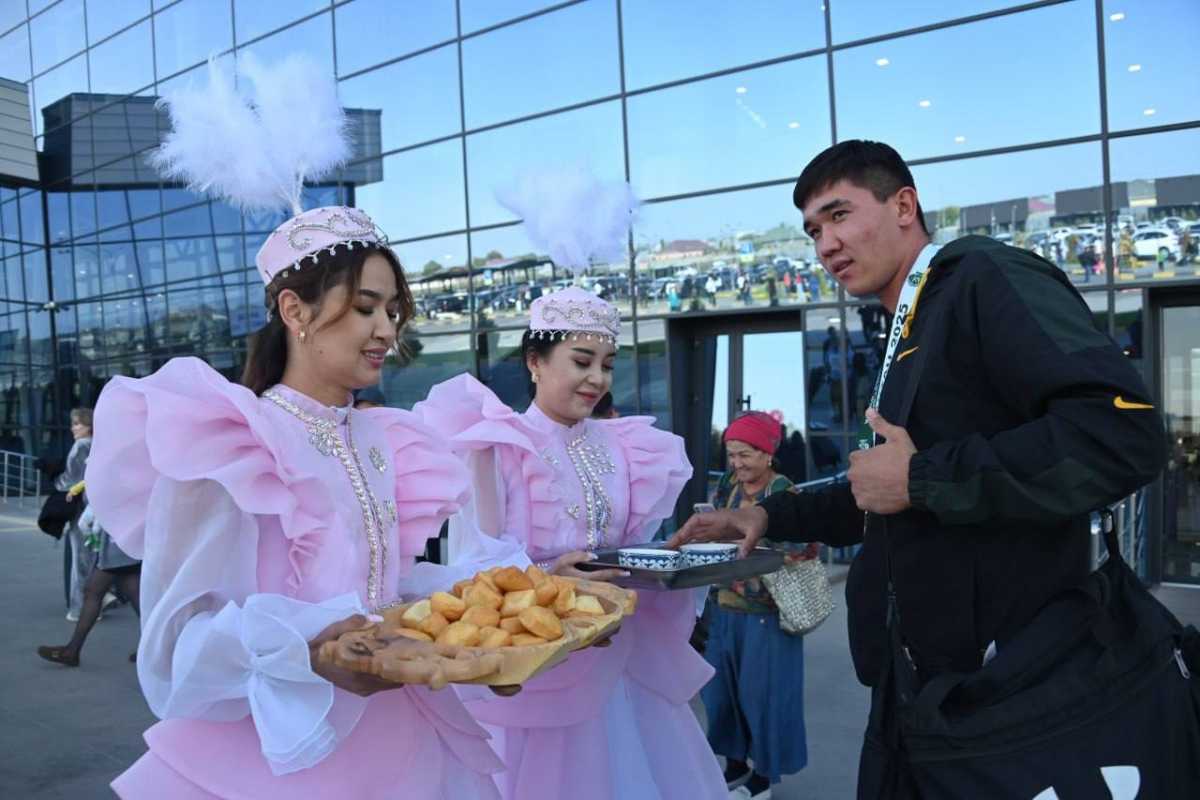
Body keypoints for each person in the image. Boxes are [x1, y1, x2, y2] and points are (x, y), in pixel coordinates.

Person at [670, 140, 1171, 797]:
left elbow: (1122, 432)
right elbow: (882, 492)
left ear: (904, 204)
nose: (825, 243)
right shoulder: (904, 329)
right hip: (915, 691)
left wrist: (922, 478)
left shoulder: (986, 279)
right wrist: (767, 513)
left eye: (840, 214)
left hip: (1006, 697)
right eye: (813, 230)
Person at [82, 56, 506, 798]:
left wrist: (509, 588)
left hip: (402, 735)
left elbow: (389, 586)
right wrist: (309, 654)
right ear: (295, 311)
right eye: (367, 306)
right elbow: (176, 646)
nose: (385, 330)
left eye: (392, 311)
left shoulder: (381, 438)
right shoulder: (229, 439)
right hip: (281, 758)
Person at [414, 287, 727, 800]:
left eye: (607, 364)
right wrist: (549, 578)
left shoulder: (628, 446)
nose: (598, 379)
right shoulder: (497, 445)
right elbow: (473, 568)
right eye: (582, 361)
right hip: (535, 670)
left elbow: (631, 549)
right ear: (535, 361)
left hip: (618, 662)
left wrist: (674, 558)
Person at [701, 412, 813, 799]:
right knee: (721, 695)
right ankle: (735, 766)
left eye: (745, 454)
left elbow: (804, 548)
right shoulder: (729, 487)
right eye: (732, 455)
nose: (737, 464)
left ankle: (763, 776)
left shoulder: (786, 494)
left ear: (767, 454)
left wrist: (754, 549)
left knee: (763, 698)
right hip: (725, 608)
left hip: (768, 613)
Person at [37, 485, 142, 667]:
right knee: (134, 594)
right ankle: (159, 647)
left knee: (94, 591)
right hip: (124, 533)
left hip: (119, 536)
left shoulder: (118, 462)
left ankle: (72, 651)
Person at [59, 407, 94, 622]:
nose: (73, 428)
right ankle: (103, 596)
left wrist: (55, 482)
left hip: (79, 508)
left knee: (79, 559)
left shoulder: (81, 445)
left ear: (88, 425)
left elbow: (70, 478)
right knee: (91, 556)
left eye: (77, 424)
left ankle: (79, 608)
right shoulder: (97, 445)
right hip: (93, 507)